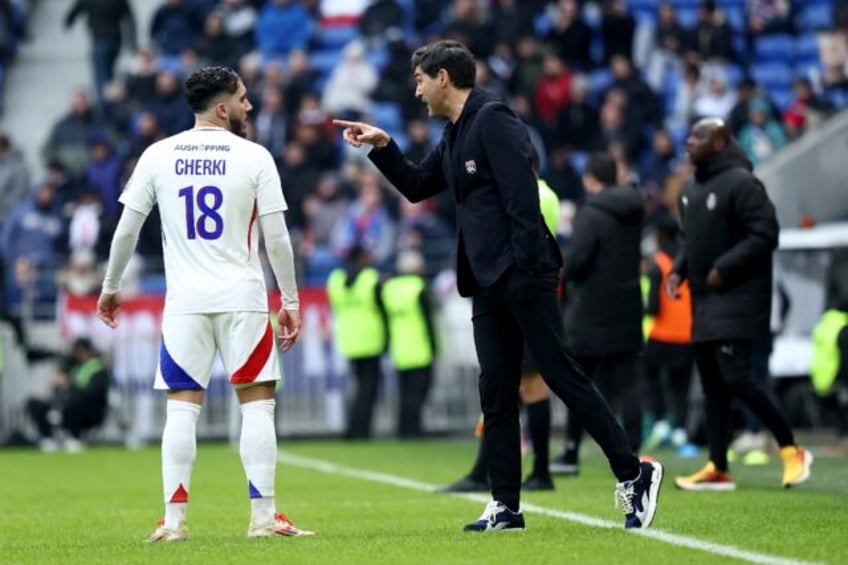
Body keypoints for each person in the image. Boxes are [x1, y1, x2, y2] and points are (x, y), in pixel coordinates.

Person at [334, 40, 663, 531]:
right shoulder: (456, 130)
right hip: (486, 279)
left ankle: (634, 472)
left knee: (560, 374)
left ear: (443, 77)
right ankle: (506, 504)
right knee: (496, 390)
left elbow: (522, 199)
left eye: (420, 80)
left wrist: (527, 270)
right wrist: (382, 147)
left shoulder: (494, 118)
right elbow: (419, 184)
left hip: (520, 274)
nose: (417, 90)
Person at [96, 66, 315, 541]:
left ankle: (173, 523)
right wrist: (291, 299)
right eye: (243, 99)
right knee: (257, 408)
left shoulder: (157, 155)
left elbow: (126, 229)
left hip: (185, 303)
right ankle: (263, 518)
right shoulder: (255, 156)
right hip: (243, 297)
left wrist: (111, 285)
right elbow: (277, 239)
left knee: (181, 410)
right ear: (223, 108)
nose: (249, 106)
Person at [670, 117, 812, 491]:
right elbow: (690, 240)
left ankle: (791, 448)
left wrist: (724, 268)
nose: (690, 139)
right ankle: (718, 466)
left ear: (719, 142)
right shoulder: (689, 189)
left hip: (738, 298)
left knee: (737, 379)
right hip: (704, 300)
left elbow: (767, 233)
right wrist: (678, 272)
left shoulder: (743, 183)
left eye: (699, 135)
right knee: (713, 385)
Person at [440, 146, 563, 493]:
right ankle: (523, 469)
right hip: (530, 294)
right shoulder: (548, 195)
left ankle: (514, 470)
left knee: (516, 385)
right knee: (520, 385)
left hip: (519, 294)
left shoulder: (533, 193)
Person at [551, 153, 645, 476]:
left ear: (590, 178)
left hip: (591, 309)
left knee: (578, 382)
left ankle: (570, 452)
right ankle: (634, 452)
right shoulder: (635, 209)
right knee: (628, 382)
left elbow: (575, 263)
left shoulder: (591, 214)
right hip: (628, 304)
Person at [641, 214, 695, 453]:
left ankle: (661, 422)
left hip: (661, 334)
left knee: (651, 378)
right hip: (686, 334)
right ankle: (680, 431)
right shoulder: (688, 263)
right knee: (680, 387)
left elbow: (653, 306)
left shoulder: (659, 263)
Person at [326, 244, 387, 440]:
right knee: (368, 389)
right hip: (371, 339)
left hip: (349, 340)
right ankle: (361, 430)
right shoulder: (371, 278)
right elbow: (381, 306)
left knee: (359, 387)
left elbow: (334, 305)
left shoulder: (335, 280)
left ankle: (354, 427)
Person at [381, 250, 436, 438]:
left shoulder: (390, 288)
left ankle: (403, 428)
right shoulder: (419, 287)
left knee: (405, 393)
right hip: (419, 346)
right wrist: (435, 346)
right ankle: (415, 428)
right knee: (420, 391)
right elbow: (429, 321)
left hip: (399, 347)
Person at [26, 337, 110, 453]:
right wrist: (57, 384)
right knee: (34, 404)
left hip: (88, 411)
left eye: (80, 351)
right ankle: (48, 439)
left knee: (76, 404)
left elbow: (92, 394)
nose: (77, 354)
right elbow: (58, 387)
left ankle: (74, 437)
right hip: (64, 404)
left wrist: (69, 385)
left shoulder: (98, 369)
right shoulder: (72, 365)